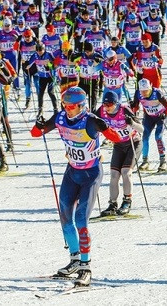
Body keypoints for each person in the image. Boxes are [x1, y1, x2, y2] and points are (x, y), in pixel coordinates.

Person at [30, 87, 123, 287]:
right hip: (72, 172)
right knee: (65, 217)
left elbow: (116, 139)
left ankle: (85, 266)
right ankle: (74, 259)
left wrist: (105, 128)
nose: (67, 109)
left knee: (81, 219)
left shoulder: (90, 120)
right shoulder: (61, 117)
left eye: (71, 106)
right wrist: (38, 125)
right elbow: (36, 133)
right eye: (65, 105)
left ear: (81, 105)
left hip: (91, 174)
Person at [97, 91, 144, 216]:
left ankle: (127, 201)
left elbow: (142, 129)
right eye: (105, 104)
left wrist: (132, 123)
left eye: (110, 104)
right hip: (118, 145)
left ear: (116, 103)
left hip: (133, 143)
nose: (107, 107)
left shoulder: (124, 110)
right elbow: (92, 124)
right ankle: (112, 204)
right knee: (114, 174)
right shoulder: (101, 111)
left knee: (125, 172)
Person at [131, 78, 167, 172]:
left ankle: (163, 161)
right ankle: (145, 161)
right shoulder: (138, 93)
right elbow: (136, 107)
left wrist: (165, 114)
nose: (144, 93)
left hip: (160, 117)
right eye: (142, 91)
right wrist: (133, 106)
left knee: (158, 136)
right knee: (145, 137)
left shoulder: (157, 93)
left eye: (146, 91)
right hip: (149, 117)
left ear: (150, 88)